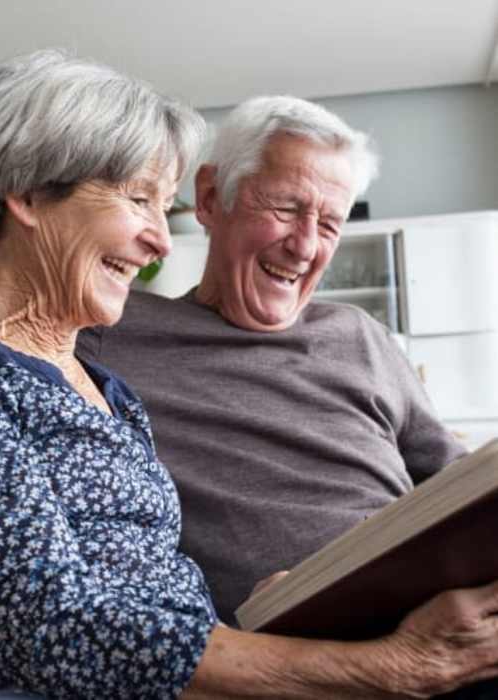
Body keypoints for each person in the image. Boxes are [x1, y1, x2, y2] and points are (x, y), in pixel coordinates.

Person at [78, 95, 498, 699]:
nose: (305, 246)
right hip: (293, 655)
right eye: (285, 208)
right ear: (209, 198)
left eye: (329, 224)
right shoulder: (106, 333)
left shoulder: (359, 336)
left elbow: (458, 485)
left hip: (439, 621)